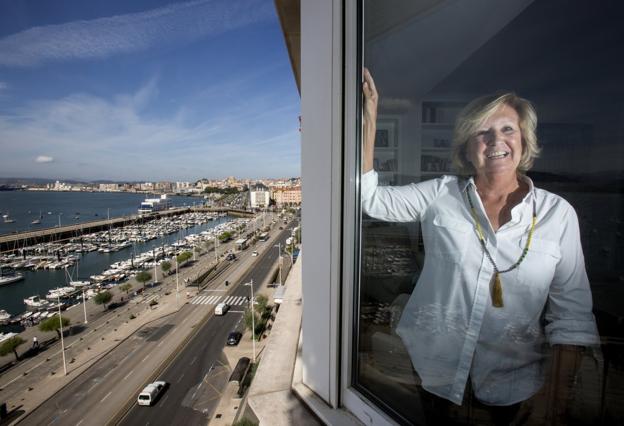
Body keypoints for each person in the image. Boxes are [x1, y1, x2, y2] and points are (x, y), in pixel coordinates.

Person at [361, 69, 600, 423]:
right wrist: (369, 119)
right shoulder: (441, 194)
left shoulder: (557, 215)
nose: (495, 140)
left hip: (514, 388)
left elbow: (572, 315)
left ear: (524, 139)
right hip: (436, 374)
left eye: (507, 129)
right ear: (467, 147)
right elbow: (371, 200)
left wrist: (555, 397)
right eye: (482, 132)